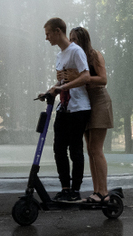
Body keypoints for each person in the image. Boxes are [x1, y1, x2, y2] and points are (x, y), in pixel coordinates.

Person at [44, 18, 91, 202]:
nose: (46, 38)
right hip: (64, 108)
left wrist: (62, 88)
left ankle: (75, 190)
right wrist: (51, 90)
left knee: (75, 150)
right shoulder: (59, 55)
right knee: (58, 148)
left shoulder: (76, 51)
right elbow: (63, 82)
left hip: (79, 109)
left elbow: (86, 76)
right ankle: (65, 188)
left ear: (57, 31)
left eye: (48, 34)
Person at [69, 26, 113, 203]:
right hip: (85, 104)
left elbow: (103, 79)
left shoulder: (94, 55)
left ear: (83, 40)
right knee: (90, 150)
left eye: (75, 39)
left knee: (96, 149)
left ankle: (104, 192)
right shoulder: (77, 57)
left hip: (99, 101)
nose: (72, 42)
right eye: (70, 39)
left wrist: (82, 78)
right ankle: (97, 191)